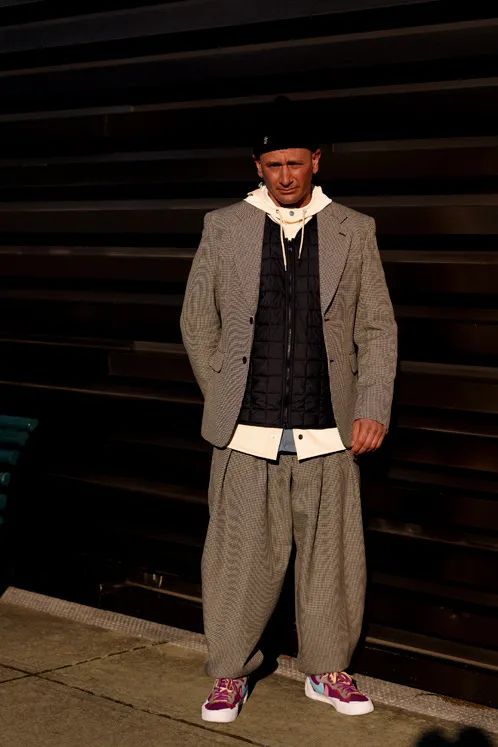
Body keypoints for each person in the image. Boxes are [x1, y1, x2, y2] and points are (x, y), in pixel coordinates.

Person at [180, 101, 397, 723]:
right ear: (258, 166)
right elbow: (197, 320)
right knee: (237, 561)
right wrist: (223, 392)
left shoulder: (355, 229)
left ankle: (327, 672)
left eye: (294, 164)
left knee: (332, 563)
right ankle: (229, 673)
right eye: (273, 165)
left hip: (329, 431)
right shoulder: (223, 226)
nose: (284, 176)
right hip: (245, 433)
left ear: (316, 162)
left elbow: (377, 328)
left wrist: (372, 406)